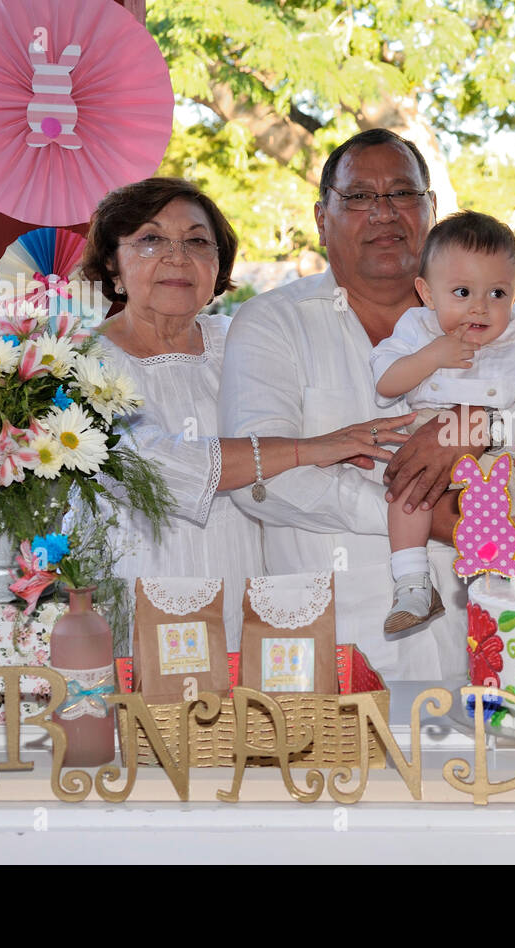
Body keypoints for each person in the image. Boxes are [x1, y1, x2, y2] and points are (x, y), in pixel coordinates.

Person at [220, 130, 506, 681]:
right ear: (321, 217)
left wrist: (482, 423)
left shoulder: (492, 320)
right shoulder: (274, 322)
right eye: (358, 197)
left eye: (402, 194)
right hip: (335, 642)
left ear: (431, 210)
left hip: (476, 636)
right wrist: (435, 519)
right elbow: (260, 474)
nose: (383, 214)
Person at [81, 178, 405, 649]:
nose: (177, 257)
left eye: (196, 241)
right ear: (112, 261)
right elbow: (151, 467)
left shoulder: (241, 338)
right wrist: (305, 450)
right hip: (139, 593)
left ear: (218, 264)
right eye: (151, 240)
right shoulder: (85, 361)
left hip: (250, 592)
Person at [370, 210, 515, 633]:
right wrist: (431, 356)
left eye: (498, 294)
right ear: (427, 293)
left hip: (506, 451)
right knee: (409, 492)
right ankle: (413, 582)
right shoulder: (417, 329)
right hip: (432, 436)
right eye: (462, 292)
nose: (480, 308)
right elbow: (387, 381)